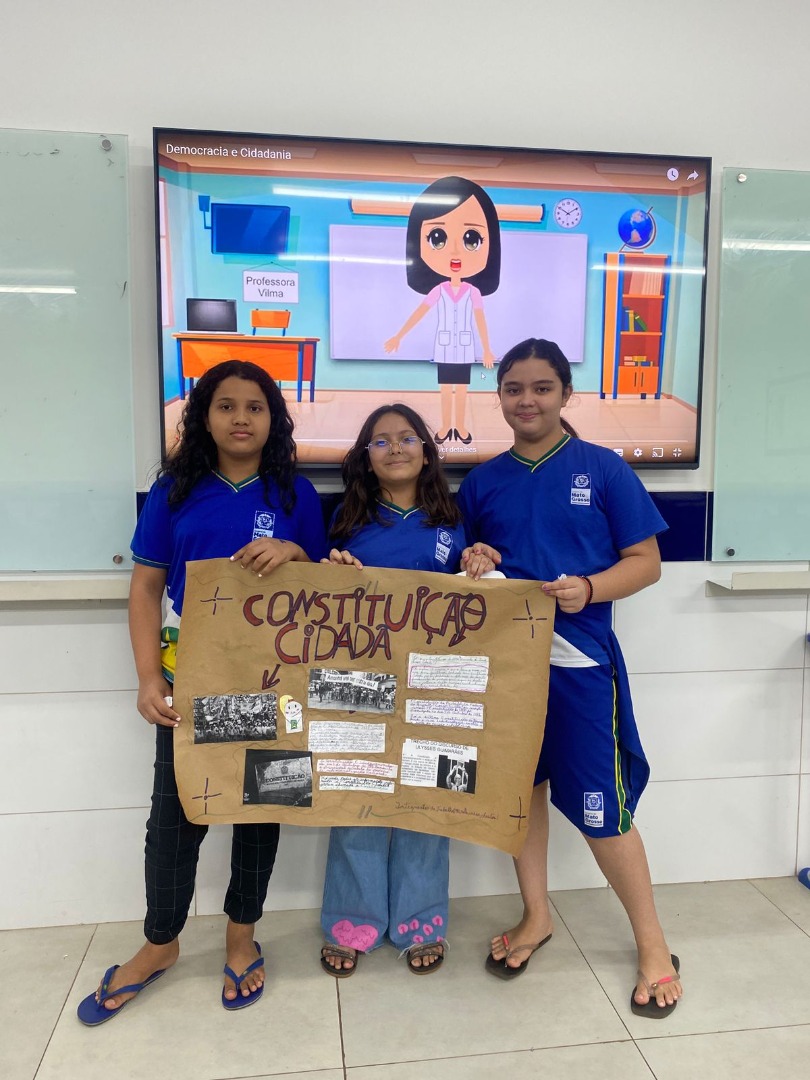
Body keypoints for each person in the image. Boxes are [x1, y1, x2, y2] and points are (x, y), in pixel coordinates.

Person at [77, 360, 327, 1025]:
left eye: (256, 407)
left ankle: (242, 938)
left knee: (261, 811)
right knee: (176, 818)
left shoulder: (297, 493)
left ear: (274, 420)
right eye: (226, 406)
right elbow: (145, 588)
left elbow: (326, 585)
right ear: (203, 418)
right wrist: (148, 677)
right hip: (195, 683)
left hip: (278, 686)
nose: (241, 418)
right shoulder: (175, 491)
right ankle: (160, 943)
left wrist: (295, 553)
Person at [457, 338, 683, 1018]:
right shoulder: (481, 483)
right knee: (521, 794)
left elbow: (646, 561)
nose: (526, 400)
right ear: (499, 396)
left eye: (541, 388)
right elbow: (468, 565)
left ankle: (653, 946)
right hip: (506, 667)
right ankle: (537, 916)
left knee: (601, 809)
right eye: (513, 388)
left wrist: (589, 588)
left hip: (579, 665)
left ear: (565, 395)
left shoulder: (604, 469)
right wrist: (474, 557)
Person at [318, 403, 492, 977]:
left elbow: (480, 588)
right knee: (356, 797)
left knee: (429, 799)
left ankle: (422, 920)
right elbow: (314, 597)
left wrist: (481, 559)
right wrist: (328, 571)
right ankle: (352, 920)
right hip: (356, 683)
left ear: (426, 449)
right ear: (365, 457)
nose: (395, 448)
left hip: (437, 684)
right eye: (381, 440)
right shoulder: (343, 519)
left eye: (407, 438)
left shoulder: (454, 517)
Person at [384, 176, 501, 445]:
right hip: (445, 345)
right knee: (446, 388)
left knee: (462, 389)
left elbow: (480, 320)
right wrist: (399, 336)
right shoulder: (439, 290)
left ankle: (460, 427)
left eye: (472, 239)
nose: (456, 252)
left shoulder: (473, 292)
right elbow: (420, 313)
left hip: (464, 346)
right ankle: (446, 426)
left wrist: (486, 349)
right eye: (437, 238)